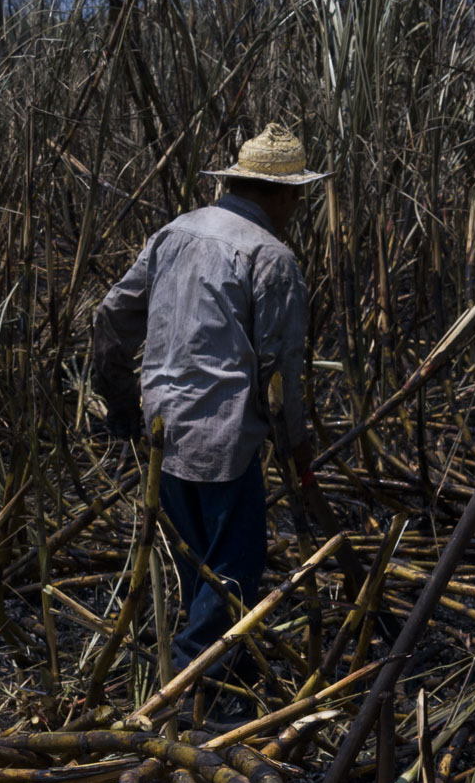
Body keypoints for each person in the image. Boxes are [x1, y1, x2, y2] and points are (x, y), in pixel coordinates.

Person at [92, 122, 328, 677]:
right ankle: (193, 691)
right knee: (231, 573)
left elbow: (110, 317)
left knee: (198, 568)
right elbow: (279, 375)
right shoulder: (272, 259)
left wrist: (124, 407)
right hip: (222, 444)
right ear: (284, 194)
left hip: (162, 435)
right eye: (296, 196)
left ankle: (206, 677)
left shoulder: (175, 232)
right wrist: (297, 446)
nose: (296, 207)